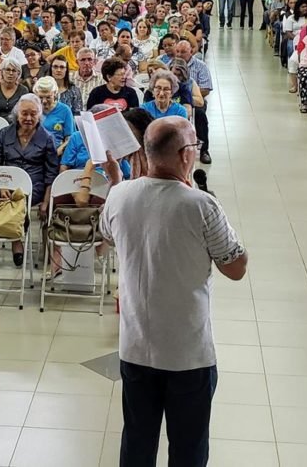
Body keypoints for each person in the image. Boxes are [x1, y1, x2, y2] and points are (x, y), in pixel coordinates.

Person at [101, 116, 246, 467]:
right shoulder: (200, 205)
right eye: (194, 146)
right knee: (188, 446)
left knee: (137, 440)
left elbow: (109, 236)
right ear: (184, 155)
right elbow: (235, 268)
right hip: (187, 354)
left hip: (135, 347)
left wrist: (118, 183)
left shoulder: (119, 196)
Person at [0, 93, 59, 267]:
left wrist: (45, 202)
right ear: (17, 114)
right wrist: (0, 186)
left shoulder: (47, 138)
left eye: (33, 114)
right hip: (5, 183)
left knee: (20, 200)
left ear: (40, 115)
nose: (28, 118)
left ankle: (16, 241)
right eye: (24, 113)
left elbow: (51, 173)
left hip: (34, 186)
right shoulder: (5, 134)